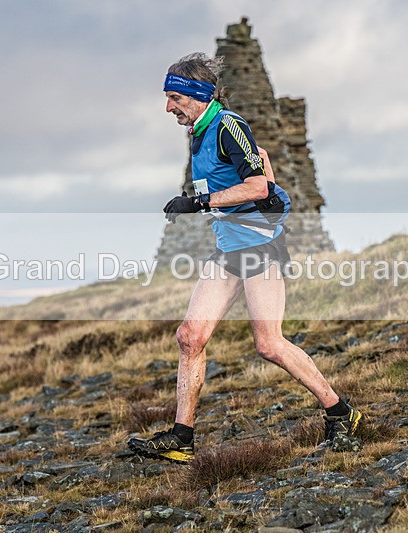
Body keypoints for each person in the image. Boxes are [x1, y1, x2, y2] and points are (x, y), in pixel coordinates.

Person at [127, 53, 361, 464]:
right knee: (189, 337)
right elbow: (262, 159)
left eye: (173, 98)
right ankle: (182, 438)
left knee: (269, 344)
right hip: (229, 249)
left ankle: (340, 412)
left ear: (197, 94)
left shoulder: (227, 125)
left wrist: (200, 202)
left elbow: (255, 185)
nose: (168, 107)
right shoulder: (202, 130)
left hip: (257, 248)